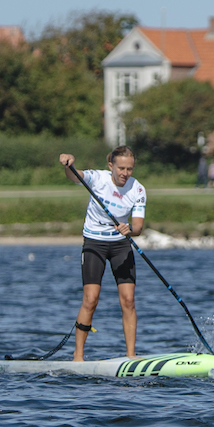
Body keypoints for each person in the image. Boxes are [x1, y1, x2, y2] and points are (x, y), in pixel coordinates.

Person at [59, 147, 146, 361]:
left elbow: (138, 227)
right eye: (121, 168)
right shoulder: (98, 178)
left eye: (130, 169)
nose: (126, 173)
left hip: (120, 245)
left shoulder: (138, 190)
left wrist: (129, 230)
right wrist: (69, 164)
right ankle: (78, 356)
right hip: (94, 242)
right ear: (111, 166)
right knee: (91, 299)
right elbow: (75, 176)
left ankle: (131, 356)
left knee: (128, 300)